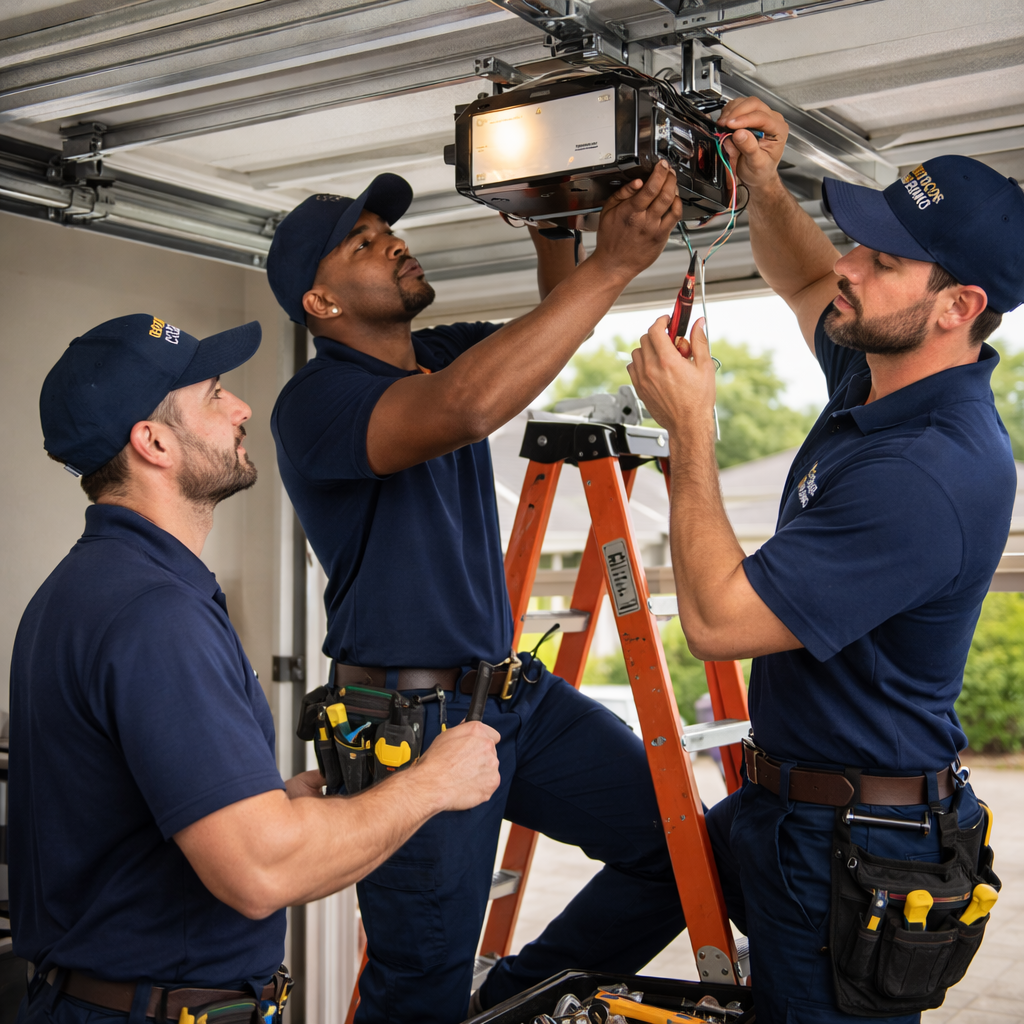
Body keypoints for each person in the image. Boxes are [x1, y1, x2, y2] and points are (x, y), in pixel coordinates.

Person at [628, 97, 1024, 1023]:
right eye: (862, 241)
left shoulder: (929, 471)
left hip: (854, 845)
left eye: (883, 261)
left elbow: (719, 623)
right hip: (790, 808)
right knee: (587, 938)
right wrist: (764, 183)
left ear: (958, 307)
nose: (849, 266)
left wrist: (691, 428)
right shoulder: (884, 368)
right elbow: (807, 277)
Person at [267, 166, 688, 1023]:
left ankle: (507, 1009)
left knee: (682, 851)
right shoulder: (314, 405)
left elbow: (546, 329)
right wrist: (611, 266)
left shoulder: (439, 350)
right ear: (321, 305)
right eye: (363, 242)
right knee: (418, 982)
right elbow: (462, 409)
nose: (392, 241)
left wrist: (556, 226)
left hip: (510, 696)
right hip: (406, 725)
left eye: (387, 228)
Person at [10, 314, 500, 1024]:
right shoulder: (154, 615)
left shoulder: (89, 588)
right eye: (213, 395)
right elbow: (262, 871)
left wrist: (274, 806)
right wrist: (435, 783)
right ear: (153, 443)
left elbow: (156, 827)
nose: (242, 409)